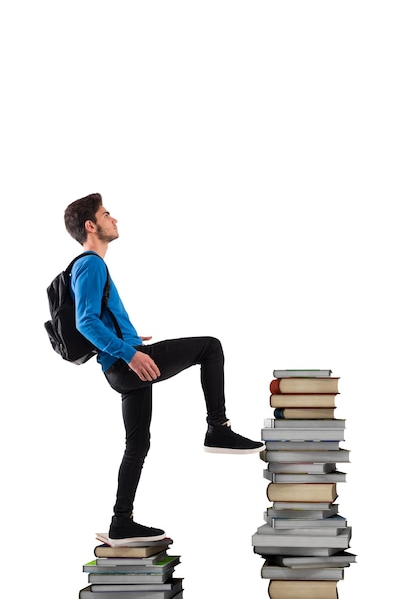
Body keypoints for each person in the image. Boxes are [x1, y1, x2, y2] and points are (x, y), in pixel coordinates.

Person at [63, 193, 264, 542]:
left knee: (137, 444)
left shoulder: (89, 266)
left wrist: (127, 338)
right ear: (90, 225)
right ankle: (218, 428)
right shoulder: (91, 264)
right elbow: (85, 322)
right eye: (107, 214)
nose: (115, 219)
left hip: (120, 366)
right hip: (125, 363)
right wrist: (130, 352)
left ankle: (121, 521)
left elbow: (97, 320)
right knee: (210, 348)